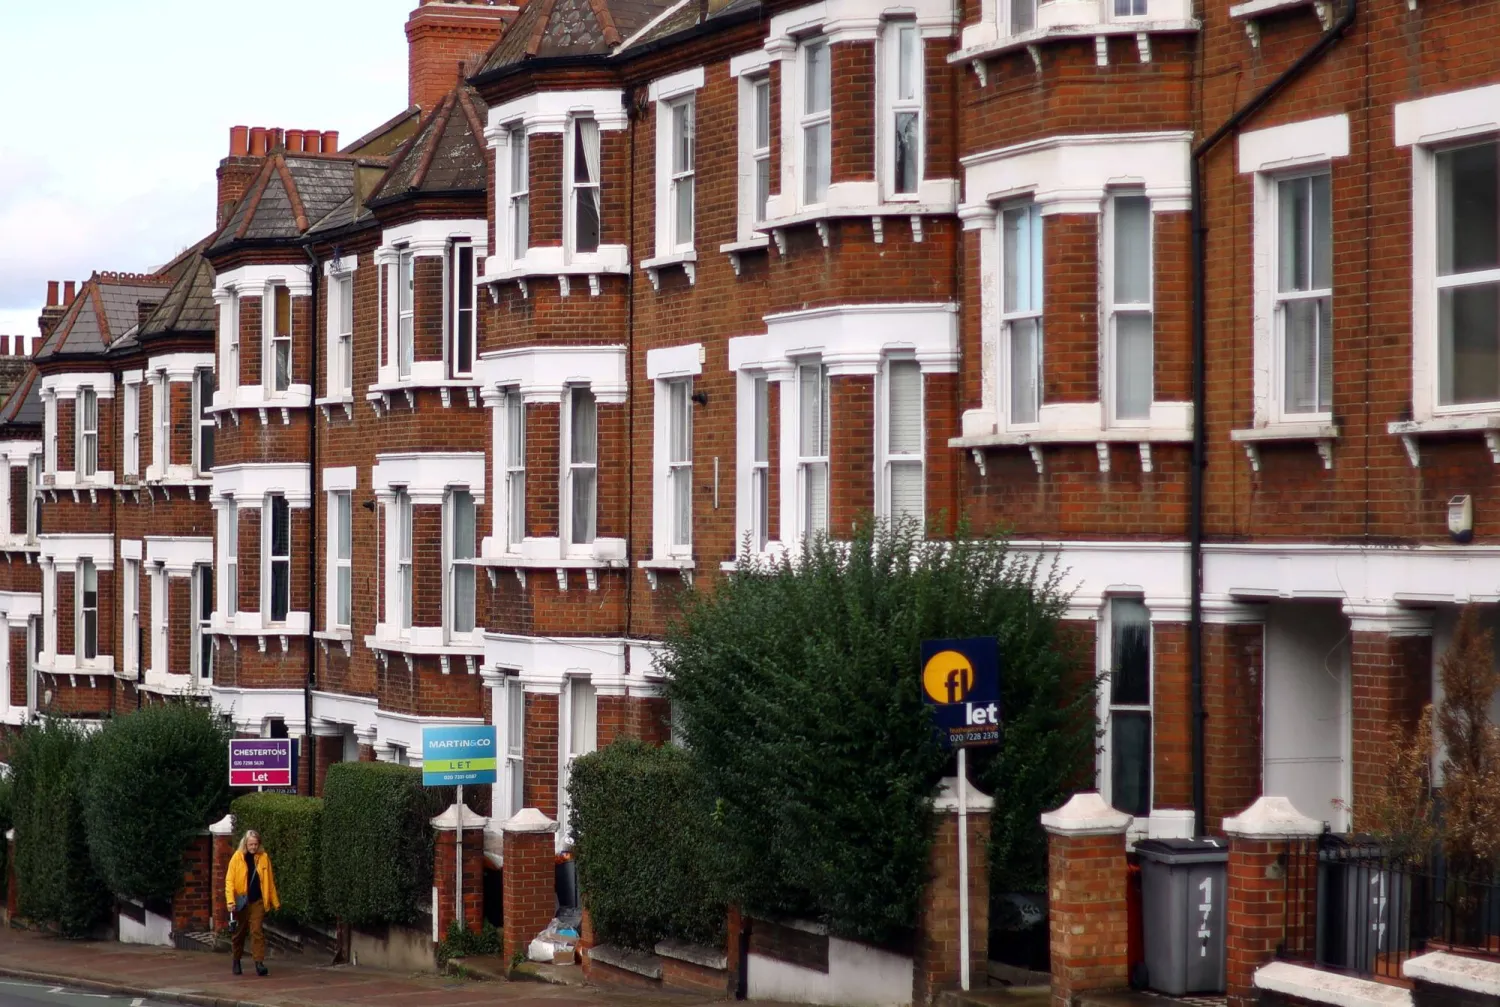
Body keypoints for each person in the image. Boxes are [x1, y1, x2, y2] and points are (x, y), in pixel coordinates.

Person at [224, 829, 280, 976]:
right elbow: (229, 881)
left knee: (256, 931)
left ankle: (259, 962)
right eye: (251, 844)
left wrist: (275, 902)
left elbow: (269, 881)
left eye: (256, 844)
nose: (253, 847)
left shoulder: (263, 858)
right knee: (239, 933)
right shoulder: (237, 858)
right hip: (241, 900)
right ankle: (236, 960)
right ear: (245, 843)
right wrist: (230, 901)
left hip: (257, 901)